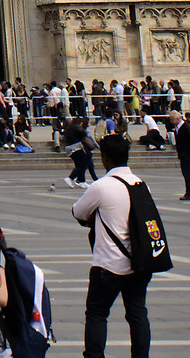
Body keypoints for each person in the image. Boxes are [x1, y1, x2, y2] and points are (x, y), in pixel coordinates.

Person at [70, 131, 153, 358]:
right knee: (137, 312)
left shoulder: (101, 186)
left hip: (108, 264)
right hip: (139, 263)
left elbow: (78, 212)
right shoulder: (141, 184)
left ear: (105, 158)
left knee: (97, 313)